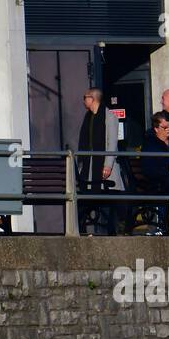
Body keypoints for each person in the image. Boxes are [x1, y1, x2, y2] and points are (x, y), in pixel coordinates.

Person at [76, 88, 123, 235]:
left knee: (108, 197)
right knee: (87, 197)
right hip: (89, 166)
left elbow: (111, 143)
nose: (84, 100)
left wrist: (108, 165)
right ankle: (84, 228)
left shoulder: (109, 117)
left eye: (85, 97)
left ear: (93, 98)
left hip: (103, 166)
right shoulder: (88, 117)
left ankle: (112, 229)